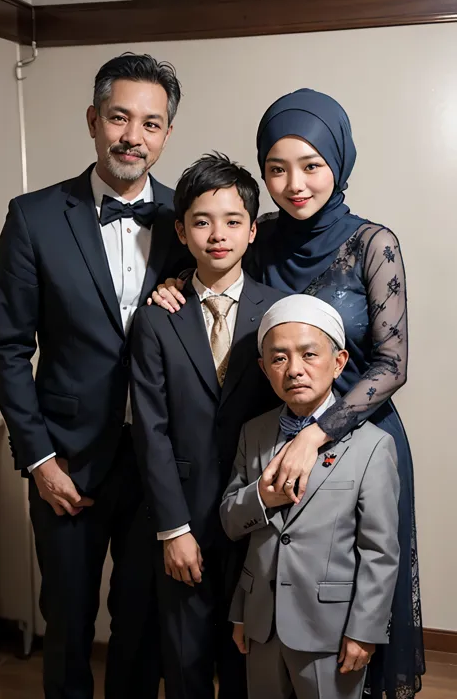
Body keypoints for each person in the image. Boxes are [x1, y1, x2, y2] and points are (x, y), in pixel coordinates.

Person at [152, 88, 424, 698]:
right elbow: (214, 266)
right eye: (276, 168)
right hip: (264, 432)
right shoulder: (258, 231)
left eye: (311, 164)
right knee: (266, 592)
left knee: (355, 600)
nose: (294, 183)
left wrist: (318, 438)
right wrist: (173, 285)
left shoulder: (373, 244)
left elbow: (393, 362)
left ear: (339, 161)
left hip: (359, 438)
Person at [0, 53, 192, 699]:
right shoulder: (34, 217)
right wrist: (38, 457)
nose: (134, 135)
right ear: (93, 120)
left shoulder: (190, 221)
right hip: (66, 463)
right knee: (69, 624)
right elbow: (6, 347)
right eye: (120, 117)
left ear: (166, 133)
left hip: (157, 462)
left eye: (151, 123)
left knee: (140, 624)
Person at [130, 153, 285, 699]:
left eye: (233, 220)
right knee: (187, 660)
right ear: (181, 230)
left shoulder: (278, 312)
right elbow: (150, 428)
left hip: (258, 514)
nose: (217, 234)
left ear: (251, 230)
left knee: (247, 661)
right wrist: (173, 529)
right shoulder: (155, 317)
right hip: (184, 518)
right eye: (201, 221)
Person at [220, 294, 400, 699]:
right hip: (261, 622)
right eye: (279, 358)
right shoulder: (255, 433)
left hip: (331, 631)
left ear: (338, 363)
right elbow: (231, 521)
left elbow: (379, 551)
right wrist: (262, 499)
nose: (295, 369)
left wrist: (364, 631)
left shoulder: (372, 446)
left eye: (309, 354)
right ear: (265, 369)